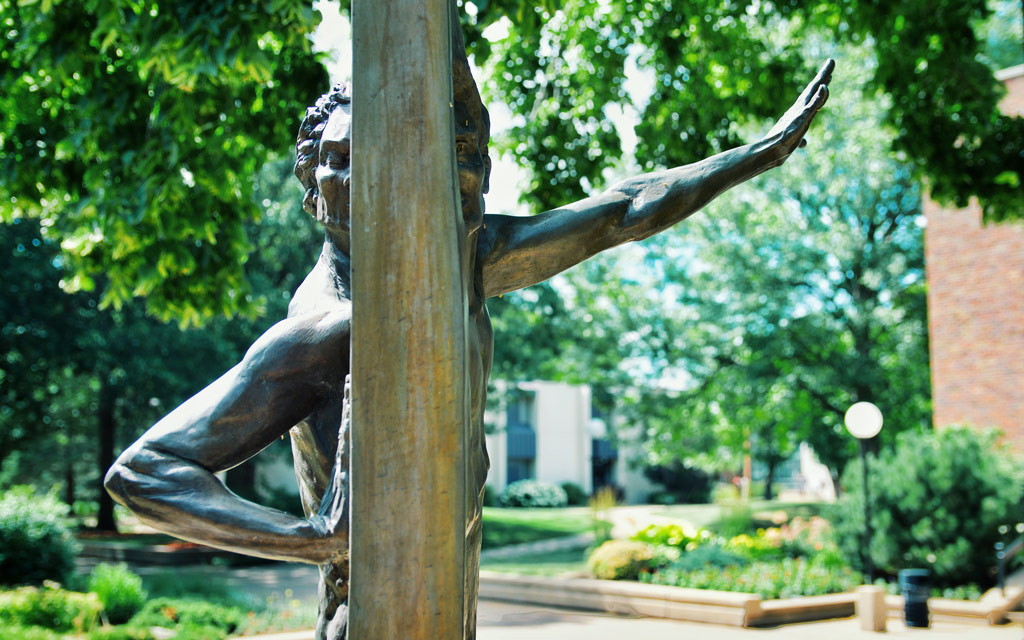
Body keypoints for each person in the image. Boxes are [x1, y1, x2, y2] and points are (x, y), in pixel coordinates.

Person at [106, 29, 833, 639]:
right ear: (309, 183)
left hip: (449, 591)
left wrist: (754, 155)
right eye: (338, 159)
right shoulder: (335, 327)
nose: (356, 176)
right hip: (375, 613)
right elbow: (144, 474)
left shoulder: (459, 260)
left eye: (377, 156)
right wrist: (312, 542)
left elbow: (622, 207)